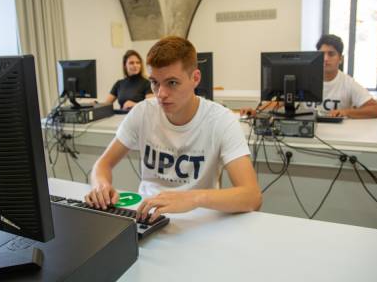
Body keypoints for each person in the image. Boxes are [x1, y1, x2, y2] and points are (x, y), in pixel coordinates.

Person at [86, 36, 262, 223]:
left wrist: (194, 198)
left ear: (195, 78)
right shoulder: (142, 113)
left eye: (172, 83)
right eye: (154, 82)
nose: (161, 94)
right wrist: (100, 185)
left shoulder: (221, 120)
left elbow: (252, 196)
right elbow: (102, 165)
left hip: (199, 220)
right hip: (146, 215)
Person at [241, 34, 377, 119]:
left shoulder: (348, 83)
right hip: (306, 134)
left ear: (341, 59)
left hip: (336, 135)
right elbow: (280, 101)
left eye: (331, 54)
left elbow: (376, 109)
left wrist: (345, 112)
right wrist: (257, 111)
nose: (326, 59)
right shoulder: (303, 77)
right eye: (322, 54)